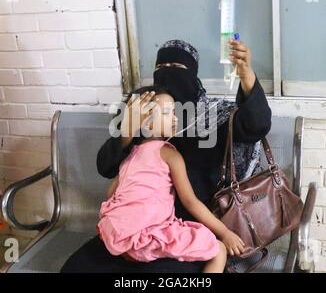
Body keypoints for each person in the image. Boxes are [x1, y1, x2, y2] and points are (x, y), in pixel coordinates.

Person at [61, 39, 272, 273]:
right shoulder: (144, 112)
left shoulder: (213, 114)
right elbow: (106, 167)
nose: (169, 74)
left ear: (193, 74)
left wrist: (246, 75)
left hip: (190, 226)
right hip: (137, 223)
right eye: (162, 66)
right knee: (76, 268)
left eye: (178, 68)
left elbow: (256, 125)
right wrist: (127, 131)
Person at [97, 85, 246, 273]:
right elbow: (190, 202)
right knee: (219, 250)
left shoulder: (129, 155)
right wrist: (224, 232)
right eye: (168, 113)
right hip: (149, 236)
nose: (176, 118)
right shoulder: (168, 153)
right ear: (147, 122)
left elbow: (111, 193)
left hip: (116, 234)